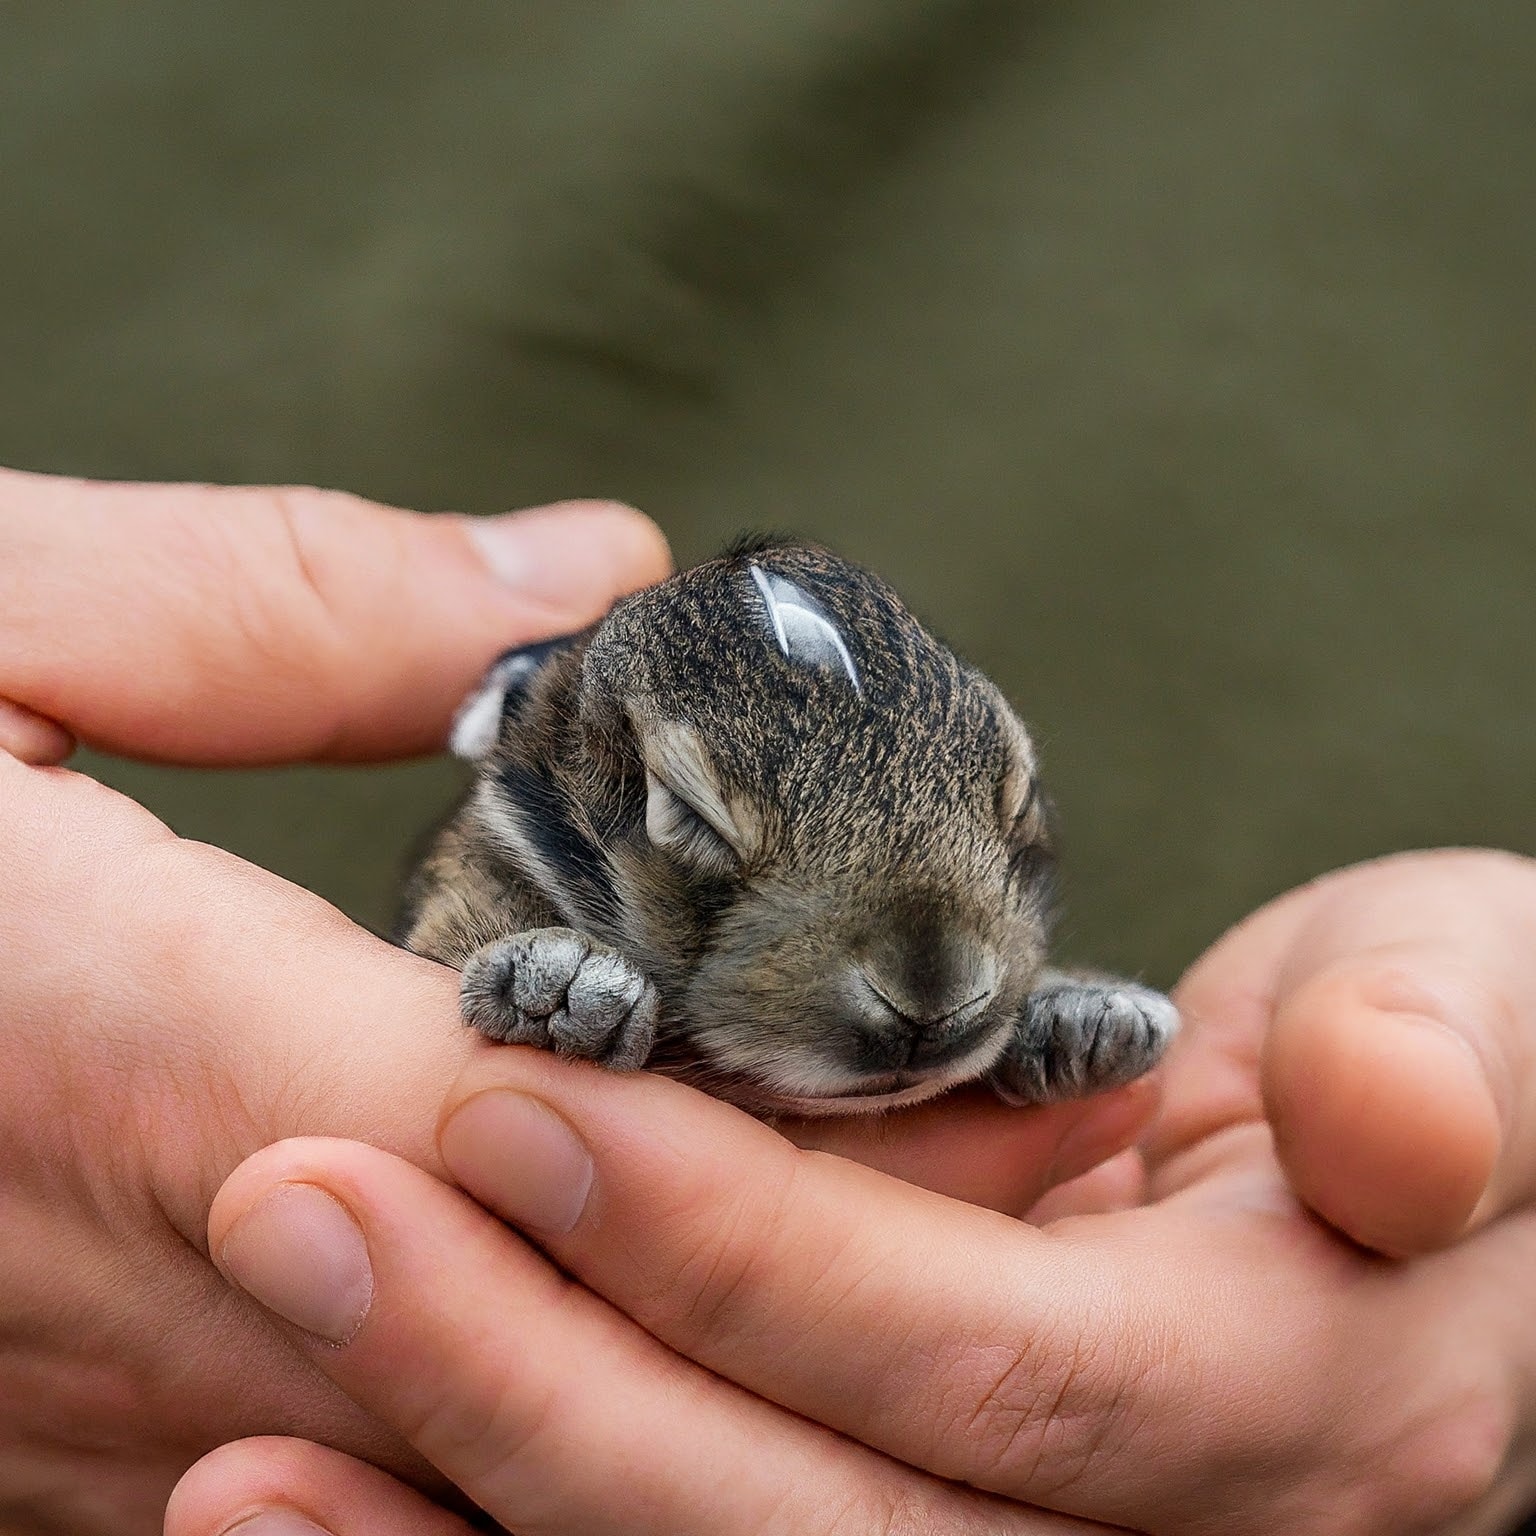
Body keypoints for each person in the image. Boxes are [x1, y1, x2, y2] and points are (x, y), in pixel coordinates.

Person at [3, 467, 1533, 1535]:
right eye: (701, 833)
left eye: (998, 827)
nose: (940, 991)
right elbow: (454, 954)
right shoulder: (518, 846)